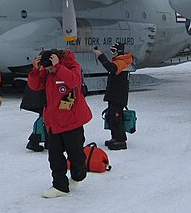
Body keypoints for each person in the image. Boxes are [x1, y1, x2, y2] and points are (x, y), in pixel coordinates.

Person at [27, 48, 93, 198]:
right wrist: (36, 70)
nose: (48, 69)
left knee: (75, 155)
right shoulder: (47, 71)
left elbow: (74, 81)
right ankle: (60, 186)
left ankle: (78, 175)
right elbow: (35, 86)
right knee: (55, 157)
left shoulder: (71, 66)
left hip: (72, 122)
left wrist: (57, 67)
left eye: (48, 65)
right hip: (53, 122)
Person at [93, 42, 133, 150]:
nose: (112, 53)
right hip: (114, 95)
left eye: (114, 51)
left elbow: (111, 68)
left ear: (119, 51)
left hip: (118, 97)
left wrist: (100, 55)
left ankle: (121, 140)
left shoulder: (122, 62)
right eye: (111, 50)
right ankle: (115, 137)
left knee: (116, 118)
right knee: (111, 117)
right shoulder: (118, 61)